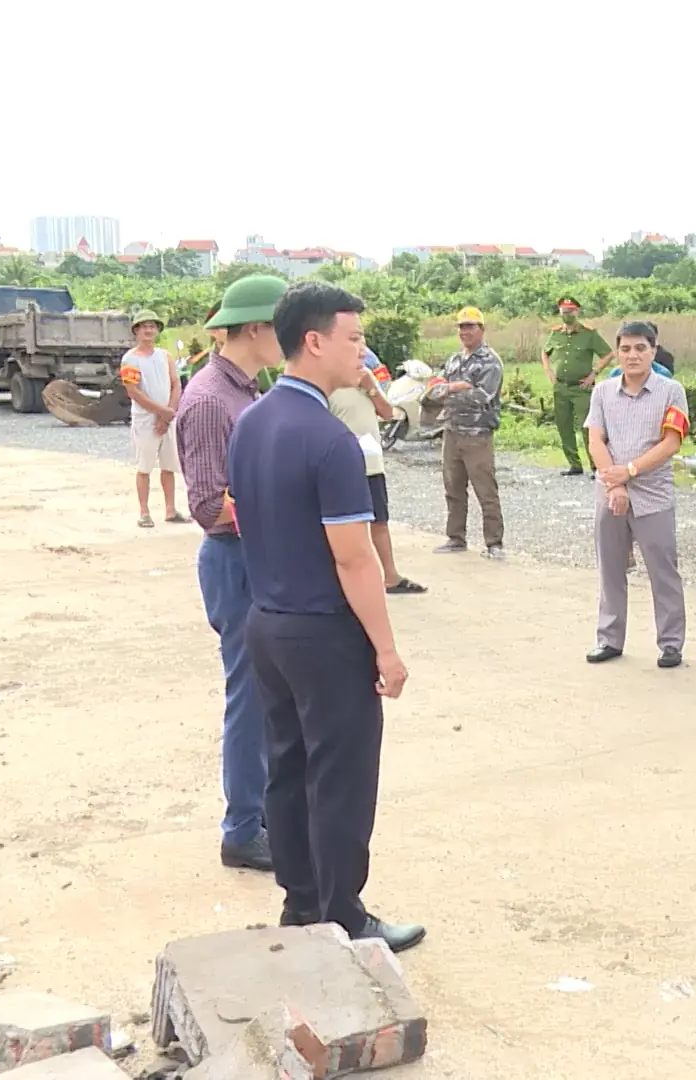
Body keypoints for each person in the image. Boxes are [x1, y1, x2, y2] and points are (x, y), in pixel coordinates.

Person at [228, 280, 422, 953]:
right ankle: (343, 913)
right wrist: (387, 649)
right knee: (340, 775)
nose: (362, 352)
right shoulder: (329, 440)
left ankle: (302, 901)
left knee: (286, 766)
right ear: (313, 342)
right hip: (321, 631)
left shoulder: (251, 421)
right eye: (353, 338)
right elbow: (354, 560)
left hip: (269, 620)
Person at [174, 274, 288, 874]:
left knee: (267, 695)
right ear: (253, 330)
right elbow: (209, 505)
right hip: (234, 559)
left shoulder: (247, 387)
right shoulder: (212, 399)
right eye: (280, 328)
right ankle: (242, 829)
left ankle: (259, 812)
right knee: (249, 696)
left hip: (254, 557)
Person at [585, 321, 691, 668]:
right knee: (611, 569)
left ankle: (671, 643)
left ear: (653, 351)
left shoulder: (671, 391)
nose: (633, 356)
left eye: (640, 348)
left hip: (653, 495)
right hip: (610, 494)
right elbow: (595, 440)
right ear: (617, 352)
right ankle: (610, 639)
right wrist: (614, 484)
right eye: (626, 349)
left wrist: (629, 471)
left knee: (663, 571)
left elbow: (671, 442)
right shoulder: (601, 392)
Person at [327, 349, 424, 595]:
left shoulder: (365, 378)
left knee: (379, 520)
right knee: (347, 523)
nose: (360, 356)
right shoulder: (328, 382)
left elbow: (388, 413)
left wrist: (370, 387)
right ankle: (344, 579)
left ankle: (391, 576)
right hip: (343, 464)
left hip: (372, 462)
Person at [434, 307, 506, 560]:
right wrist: (456, 387)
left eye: (470, 326)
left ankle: (494, 543)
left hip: (477, 434)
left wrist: (451, 389)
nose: (465, 331)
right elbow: (435, 389)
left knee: (485, 491)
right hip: (452, 431)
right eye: (461, 327)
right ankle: (456, 538)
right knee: (453, 488)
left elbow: (481, 396)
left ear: (482, 329)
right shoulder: (455, 360)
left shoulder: (490, 361)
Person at [121, 310, 187, 528]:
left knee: (169, 466)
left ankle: (170, 509)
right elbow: (134, 392)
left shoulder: (165, 356)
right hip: (144, 420)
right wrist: (161, 411)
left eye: (152, 326)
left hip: (167, 418)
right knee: (145, 467)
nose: (149, 330)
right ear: (136, 331)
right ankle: (144, 512)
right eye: (144, 326)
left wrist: (168, 414)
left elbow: (176, 384)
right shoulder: (129, 359)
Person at [541, 296, 603, 477]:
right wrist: (549, 372)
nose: (566, 315)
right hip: (561, 387)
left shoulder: (589, 334)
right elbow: (545, 353)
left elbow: (608, 354)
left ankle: (596, 466)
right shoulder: (556, 333)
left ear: (577, 312)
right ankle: (574, 464)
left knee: (588, 426)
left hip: (581, 387)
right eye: (563, 312)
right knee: (564, 425)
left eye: (570, 312)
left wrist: (594, 373)